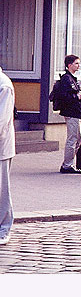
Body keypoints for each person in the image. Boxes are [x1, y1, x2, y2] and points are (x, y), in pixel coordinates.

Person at [51, 54, 81, 174]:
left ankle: (69, 163)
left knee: (78, 138)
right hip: (71, 112)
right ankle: (67, 165)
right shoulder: (66, 79)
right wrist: (77, 96)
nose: (78, 65)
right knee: (73, 138)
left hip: (75, 112)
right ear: (69, 65)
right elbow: (64, 96)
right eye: (76, 63)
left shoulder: (72, 78)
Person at [0, 66, 14, 245]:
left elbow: (1, 121)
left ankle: (3, 228)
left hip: (1, 147)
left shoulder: (4, 85)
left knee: (2, 190)